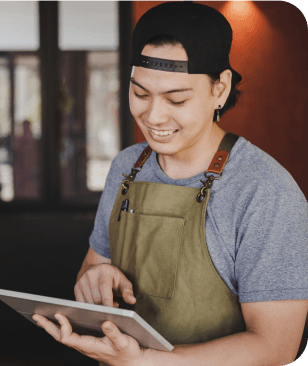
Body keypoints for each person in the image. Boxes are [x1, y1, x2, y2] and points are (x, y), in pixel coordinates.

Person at [33, 1, 308, 365]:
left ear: (220, 89)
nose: (153, 116)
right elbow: (91, 266)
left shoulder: (264, 191)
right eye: (140, 94)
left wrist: (144, 361)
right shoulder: (126, 167)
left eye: (176, 99)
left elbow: (276, 346)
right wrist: (93, 278)